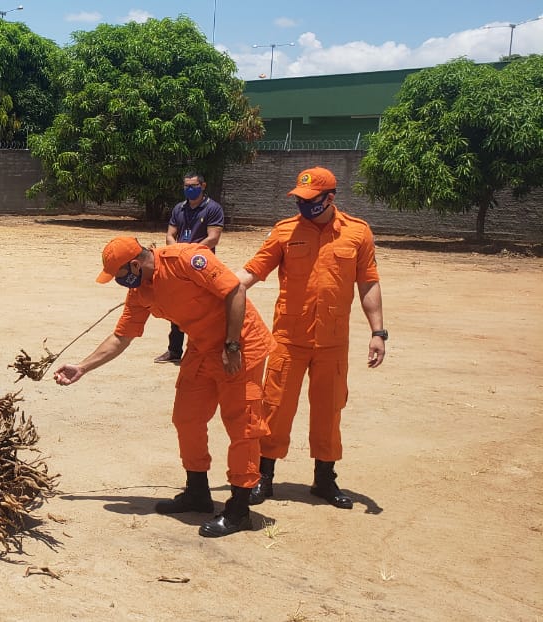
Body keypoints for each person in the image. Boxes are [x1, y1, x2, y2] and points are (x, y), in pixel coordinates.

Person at [54, 237, 274, 537]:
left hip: (240, 345)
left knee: (242, 426)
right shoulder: (140, 291)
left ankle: (239, 509)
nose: (120, 283)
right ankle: (197, 492)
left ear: (134, 264)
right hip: (201, 349)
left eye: (119, 276)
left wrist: (232, 344)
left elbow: (234, 289)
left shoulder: (186, 259)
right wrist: (82, 367)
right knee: (187, 418)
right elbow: (122, 337)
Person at [237, 166, 387, 510]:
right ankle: (265, 477)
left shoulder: (358, 233)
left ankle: (324, 479)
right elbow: (252, 271)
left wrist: (378, 331)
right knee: (274, 407)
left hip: (333, 342)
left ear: (329, 198)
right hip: (289, 339)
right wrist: (217, 285)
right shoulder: (284, 232)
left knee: (329, 411)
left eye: (309, 200)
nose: (302, 206)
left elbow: (368, 282)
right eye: (299, 199)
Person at [156, 172, 225, 364]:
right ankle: (174, 350)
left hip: (202, 264)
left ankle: (202, 352)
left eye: (193, 185)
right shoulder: (179, 208)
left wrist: (192, 253)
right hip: (179, 265)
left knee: (203, 308)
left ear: (203, 186)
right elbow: (170, 234)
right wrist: (177, 252)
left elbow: (213, 237)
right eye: (186, 186)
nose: (189, 189)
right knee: (178, 307)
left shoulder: (213, 208)